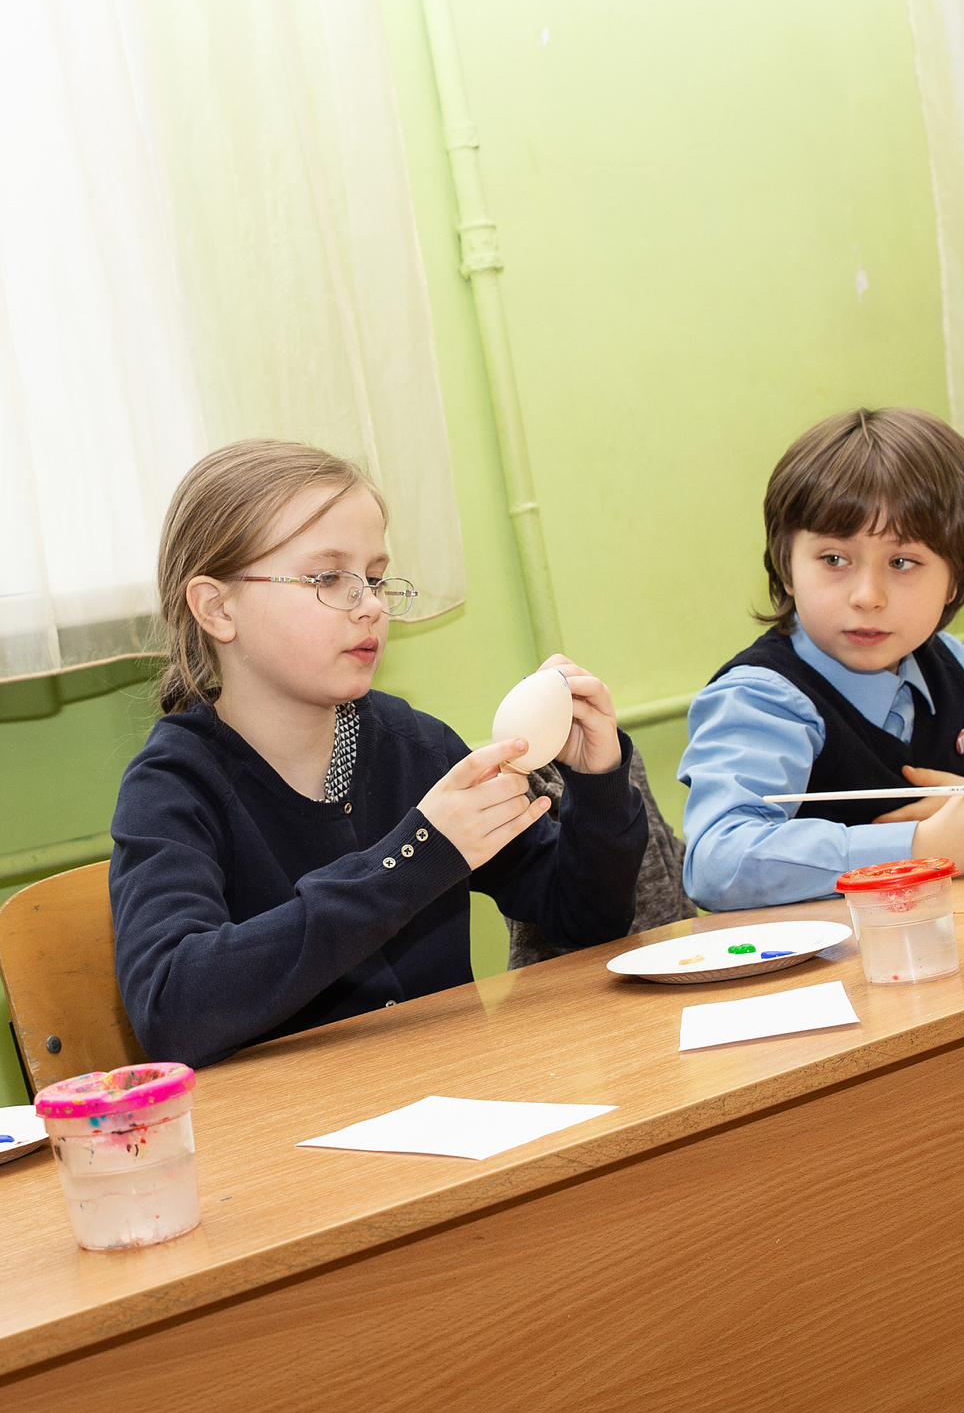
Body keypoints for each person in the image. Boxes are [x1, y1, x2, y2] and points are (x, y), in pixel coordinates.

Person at [109, 440, 647, 1067]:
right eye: (327, 578)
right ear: (218, 608)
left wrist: (598, 783)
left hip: (458, 1102)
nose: (369, 604)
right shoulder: (173, 786)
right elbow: (176, 1009)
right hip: (290, 1142)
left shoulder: (412, 746)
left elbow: (583, 918)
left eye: (375, 577)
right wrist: (414, 855)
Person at [681, 407, 964, 908]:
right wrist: (924, 846)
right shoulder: (763, 696)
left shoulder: (952, 666)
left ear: (954, 579)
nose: (867, 596)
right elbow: (716, 862)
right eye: (834, 560)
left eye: (902, 562)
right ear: (787, 567)